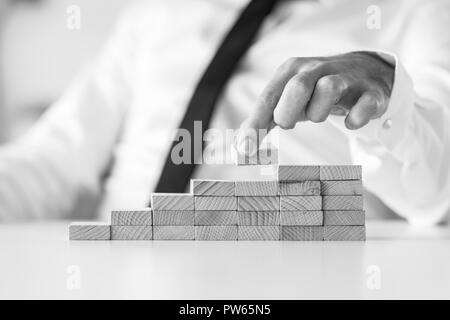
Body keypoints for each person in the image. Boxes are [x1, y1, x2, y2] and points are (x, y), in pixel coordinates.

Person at [0, 0, 449, 225]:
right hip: (126, 275)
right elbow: (51, 161)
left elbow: (438, 192)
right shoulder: (158, 11)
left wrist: (387, 93)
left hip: (310, 278)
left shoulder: (418, 9)